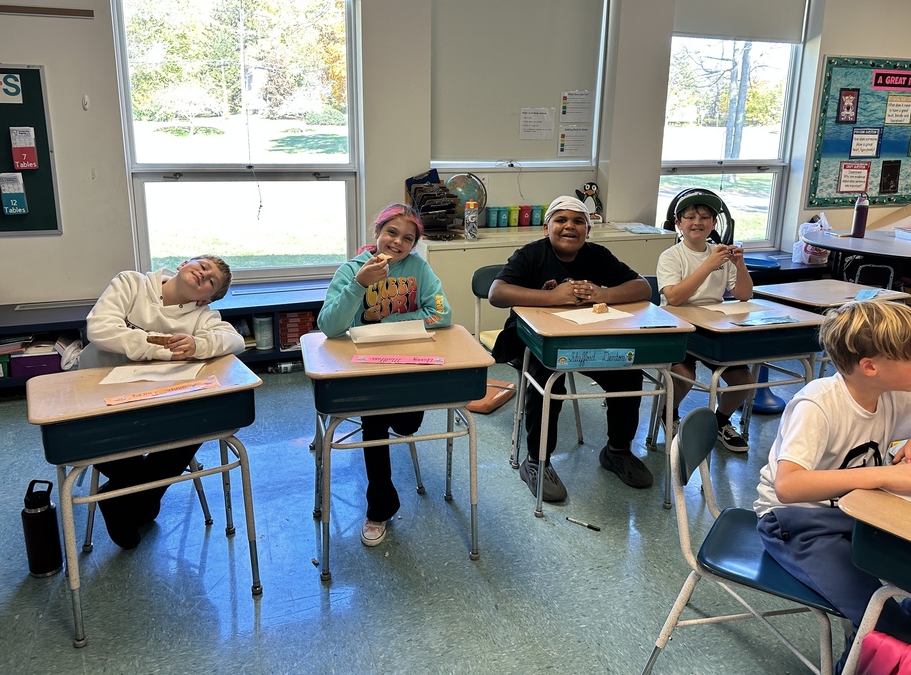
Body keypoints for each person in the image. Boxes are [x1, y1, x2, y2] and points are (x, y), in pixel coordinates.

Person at [754, 300, 911, 671]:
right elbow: (789, 486)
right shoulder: (818, 403)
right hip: (795, 523)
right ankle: (890, 645)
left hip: (859, 518)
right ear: (870, 367)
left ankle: (899, 643)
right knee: (884, 625)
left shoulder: (896, 394)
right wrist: (887, 474)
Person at [488, 195, 654, 502]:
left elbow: (643, 286)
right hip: (532, 341)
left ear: (588, 231)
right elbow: (497, 293)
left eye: (578, 221)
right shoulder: (531, 254)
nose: (569, 227)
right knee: (549, 377)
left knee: (628, 375)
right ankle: (537, 460)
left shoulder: (598, 255)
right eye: (561, 220)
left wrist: (604, 293)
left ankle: (617, 450)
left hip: (585, 341)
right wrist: (553, 298)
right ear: (546, 227)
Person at [83, 254, 244, 549]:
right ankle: (142, 500)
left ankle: (122, 496)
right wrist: (164, 348)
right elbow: (100, 329)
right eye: (202, 266)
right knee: (102, 440)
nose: (203, 276)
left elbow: (235, 340)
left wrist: (198, 344)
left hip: (155, 402)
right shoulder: (131, 283)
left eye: (211, 282)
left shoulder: (200, 317)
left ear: (205, 300)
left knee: (201, 423)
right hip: (100, 395)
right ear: (183, 264)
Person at [316, 203, 451, 548]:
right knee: (375, 420)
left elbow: (442, 313)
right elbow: (330, 327)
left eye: (408, 238)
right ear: (377, 233)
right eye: (391, 232)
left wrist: (379, 325)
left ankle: (381, 495)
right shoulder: (352, 270)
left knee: (406, 426)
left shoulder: (418, 268)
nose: (397, 242)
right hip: (367, 367)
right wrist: (359, 286)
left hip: (410, 365)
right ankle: (380, 507)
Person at [657, 190, 753, 452]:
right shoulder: (671, 256)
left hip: (715, 326)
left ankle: (721, 421)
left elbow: (743, 294)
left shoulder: (720, 254)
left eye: (704, 217)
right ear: (678, 223)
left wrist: (739, 264)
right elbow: (674, 298)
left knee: (744, 378)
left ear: (713, 223)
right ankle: (670, 413)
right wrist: (707, 266)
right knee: (684, 375)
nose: (696, 222)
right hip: (679, 328)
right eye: (689, 217)